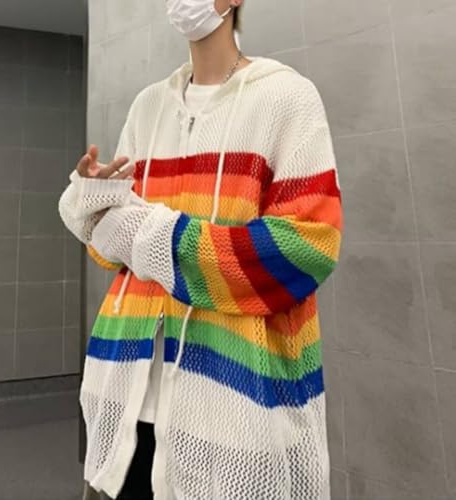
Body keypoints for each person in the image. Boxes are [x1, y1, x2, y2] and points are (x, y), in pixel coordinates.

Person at [59, 1, 343, 498]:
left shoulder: (286, 97)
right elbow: (112, 252)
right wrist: (96, 204)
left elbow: (304, 249)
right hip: (123, 402)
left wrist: (148, 232)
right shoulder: (148, 106)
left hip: (233, 411)